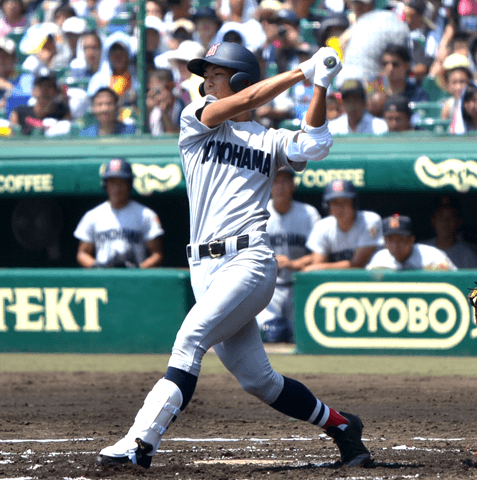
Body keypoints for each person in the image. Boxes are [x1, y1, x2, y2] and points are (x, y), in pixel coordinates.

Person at [95, 42, 371, 469]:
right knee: (259, 380)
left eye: (216, 73)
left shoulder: (270, 139)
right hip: (202, 267)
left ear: (240, 77)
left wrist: (319, 84)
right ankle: (340, 425)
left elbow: (314, 145)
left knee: (189, 342)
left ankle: (139, 443)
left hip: (249, 261)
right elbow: (245, 100)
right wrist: (302, 72)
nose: (206, 80)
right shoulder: (196, 119)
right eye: (205, 74)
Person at [256, 167, 321, 343]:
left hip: (298, 287)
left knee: (301, 336)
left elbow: (320, 255)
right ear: (268, 185)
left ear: (293, 185)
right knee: (273, 333)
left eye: (285, 181)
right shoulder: (258, 212)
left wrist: (294, 263)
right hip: (268, 289)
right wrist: (269, 262)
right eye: (276, 181)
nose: (280, 186)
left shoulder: (309, 214)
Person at [74, 158, 164, 269]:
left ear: (129, 184)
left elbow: (157, 254)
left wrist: (139, 269)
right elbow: (82, 253)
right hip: (103, 277)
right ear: (105, 185)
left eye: (121, 182)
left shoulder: (146, 215)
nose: (116, 188)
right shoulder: (92, 215)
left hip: (135, 278)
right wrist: (97, 266)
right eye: (112, 182)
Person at [282, 179, 383, 271]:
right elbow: (318, 261)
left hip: (372, 282)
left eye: (345, 202)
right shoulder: (322, 226)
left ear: (354, 203)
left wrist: (321, 267)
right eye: (335, 203)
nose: (340, 208)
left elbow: (358, 264)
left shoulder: (370, 220)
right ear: (327, 207)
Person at [366, 214, 457, 270]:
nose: (395, 245)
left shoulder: (432, 256)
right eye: (391, 240)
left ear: (411, 240)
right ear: (385, 242)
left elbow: (457, 278)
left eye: (401, 240)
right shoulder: (379, 259)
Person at [423, 195, 477, 268]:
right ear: (433, 220)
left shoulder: (468, 256)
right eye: (441, 217)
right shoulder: (421, 250)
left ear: (458, 221)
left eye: (451, 217)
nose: (445, 222)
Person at [146, 68, 185, 135]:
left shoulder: (181, 105)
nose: (153, 94)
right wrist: (148, 110)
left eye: (158, 91)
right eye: (151, 89)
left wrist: (164, 113)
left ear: (171, 86)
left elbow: (175, 134)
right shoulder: (150, 106)